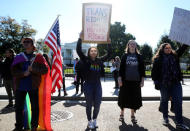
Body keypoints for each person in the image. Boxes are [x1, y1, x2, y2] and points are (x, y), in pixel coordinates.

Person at [11, 37, 48, 131]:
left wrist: (33, 70)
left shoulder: (38, 57)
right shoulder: (18, 56)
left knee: (35, 108)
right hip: (20, 86)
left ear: (32, 44)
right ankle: (18, 126)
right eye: (24, 42)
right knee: (18, 108)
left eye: (28, 42)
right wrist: (23, 74)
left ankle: (34, 126)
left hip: (33, 86)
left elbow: (45, 70)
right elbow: (13, 71)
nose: (26, 43)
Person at [76, 32, 111, 129]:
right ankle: (89, 121)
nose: (93, 52)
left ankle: (95, 119)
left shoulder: (99, 60)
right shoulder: (85, 59)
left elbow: (109, 54)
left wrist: (109, 43)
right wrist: (80, 39)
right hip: (88, 85)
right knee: (88, 104)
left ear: (97, 52)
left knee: (97, 104)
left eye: (95, 51)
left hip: (97, 85)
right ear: (89, 52)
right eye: (92, 51)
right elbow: (78, 50)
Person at [151, 43, 189, 130]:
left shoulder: (175, 56)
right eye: (166, 48)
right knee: (164, 101)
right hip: (163, 84)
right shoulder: (158, 59)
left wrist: (187, 41)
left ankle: (179, 123)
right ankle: (165, 118)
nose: (168, 49)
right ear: (162, 49)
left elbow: (182, 49)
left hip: (175, 83)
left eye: (170, 48)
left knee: (178, 102)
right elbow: (154, 73)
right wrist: (156, 82)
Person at [118, 40, 145, 124]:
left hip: (136, 81)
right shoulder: (124, 56)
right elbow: (121, 68)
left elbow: (142, 69)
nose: (132, 45)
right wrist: (119, 78)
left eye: (134, 44)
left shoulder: (139, 56)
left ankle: (132, 115)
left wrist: (142, 80)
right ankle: (121, 114)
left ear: (136, 46)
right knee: (123, 98)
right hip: (125, 81)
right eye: (131, 44)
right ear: (128, 45)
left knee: (134, 99)